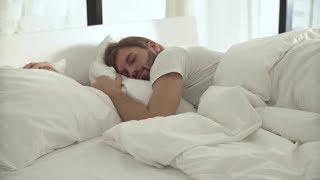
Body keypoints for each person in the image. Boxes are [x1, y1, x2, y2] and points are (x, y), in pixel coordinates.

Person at [24, 36, 223, 121]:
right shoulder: (168, 74)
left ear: (152, 46)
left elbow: (157, 119)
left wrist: (114, 92)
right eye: (126, 73)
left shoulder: (168, 57)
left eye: (132, 59)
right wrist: (60, 79)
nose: (133, 71)